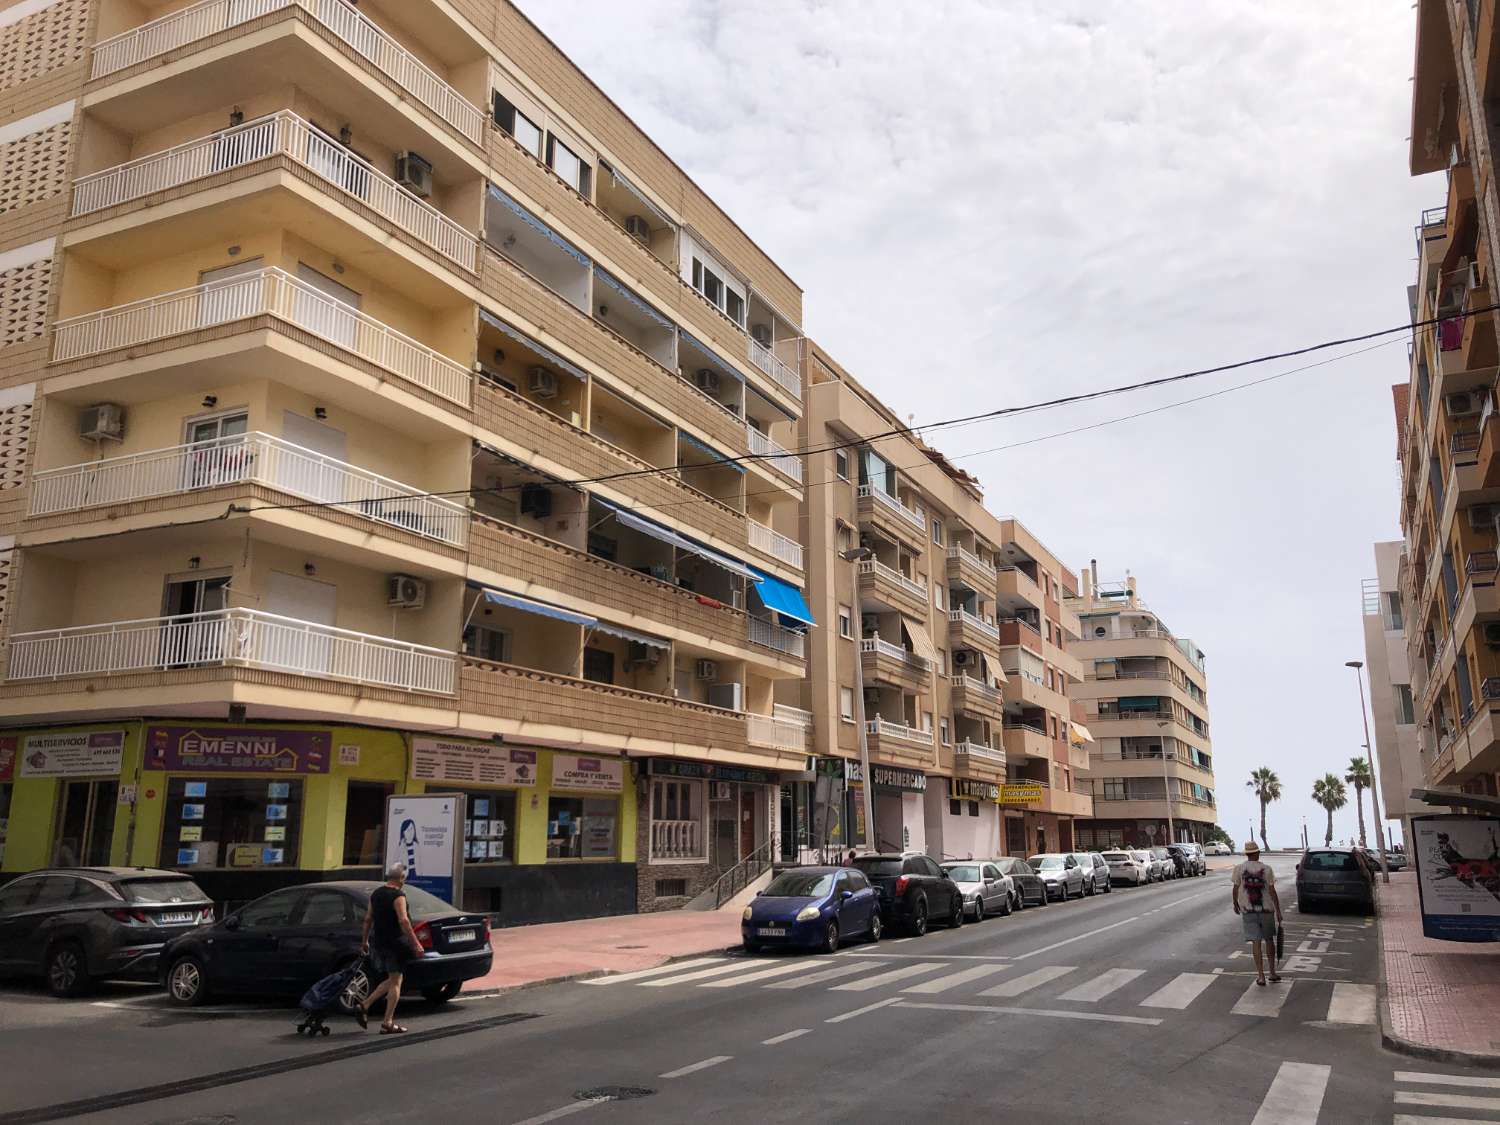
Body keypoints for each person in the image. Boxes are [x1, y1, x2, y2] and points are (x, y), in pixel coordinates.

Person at [357, 861, 424, 1033]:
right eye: (404, 878)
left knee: (393, 978)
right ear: (401, 878)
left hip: (379, 942)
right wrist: (415, 943)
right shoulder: (398, 896)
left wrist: (364, 941)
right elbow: (403, 920)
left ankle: (365, 1004)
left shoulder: (376, 894)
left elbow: (368, 919)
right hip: (395, 943)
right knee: (396, 982)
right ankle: (387, 1022)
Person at [1231, 840, 1283, 986]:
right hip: (1266, 909)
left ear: (1247, 854)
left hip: (1248, 910)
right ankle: (1272, 972)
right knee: (1269, 940)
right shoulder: (1267, 869)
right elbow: (1272, 891)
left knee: (1256, 942)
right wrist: (1278, 910)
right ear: (1258, 853)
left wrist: (1235, 903)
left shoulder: (1239, 869)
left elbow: (1235, 888)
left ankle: (1261, 976)